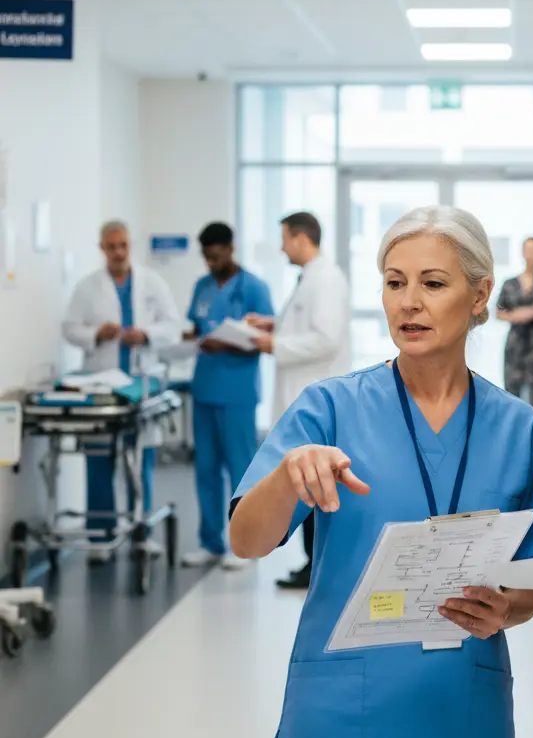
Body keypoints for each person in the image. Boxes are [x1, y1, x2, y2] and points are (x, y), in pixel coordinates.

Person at [229, 206, 533, 738]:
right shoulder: (329, 408)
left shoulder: (520, 431)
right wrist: (286, 477)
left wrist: (505, 609)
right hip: (342, 711)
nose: (410, 302)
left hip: (461, 713)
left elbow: (530, 585)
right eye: (394, 282)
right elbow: (247, 540)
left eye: (433, 284)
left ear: (481, 294)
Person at [62, 220, 182, 562]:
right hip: (104, 383)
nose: (118, 252)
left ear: (130, 246)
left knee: (139, 461)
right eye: (112, 246)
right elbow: (70, 328)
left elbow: (173, 326)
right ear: (102, 248)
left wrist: (145, 335)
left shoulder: (152, 282)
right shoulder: (87, 287)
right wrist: (97, 333)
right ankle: (101, 535)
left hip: (140, 383)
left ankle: (141, 533)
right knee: (98, 462)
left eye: (123, 245)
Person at [246, 212, 350, 591]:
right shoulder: (310, 278)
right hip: (302, 395)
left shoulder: (327, 280)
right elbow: (307, 327)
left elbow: (326, 338)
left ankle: (316, 566)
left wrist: (275, 344)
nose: (281, 247)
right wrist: (273, 325)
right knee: (307, 483)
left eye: (285, 238)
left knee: (314, 485)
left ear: (302, 238)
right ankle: (312, 563)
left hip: (315, 396)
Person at [181, 222, 274, 571]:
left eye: (216, 255)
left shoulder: (254, 288)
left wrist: (230, 341)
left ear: (231, 249)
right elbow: (195, 327)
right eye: (205, 257)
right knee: (205, 468)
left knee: (242, 470)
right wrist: (189, 338)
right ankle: (210, 542)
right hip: (203, 389)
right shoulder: (201, 287)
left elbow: (265, 340)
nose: (210, 262)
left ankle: (244, 545)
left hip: (237, 393)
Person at [496, 237, 533, 417]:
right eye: (527, 249)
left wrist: (522, 313)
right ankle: (513, 443)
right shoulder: (510, 284)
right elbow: (499, 312)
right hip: (515, 348)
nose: (530, 254)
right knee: (512, 398)